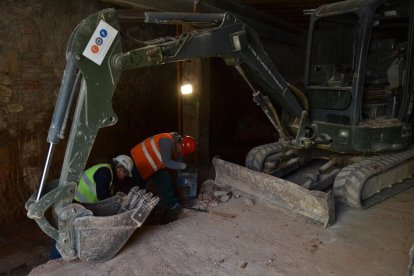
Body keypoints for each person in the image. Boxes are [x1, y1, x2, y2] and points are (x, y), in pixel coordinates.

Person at [130, 132, 196, 218]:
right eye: (181, 151)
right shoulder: (166, 141)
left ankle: (174, 205)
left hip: (153, 165)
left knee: (165, 180)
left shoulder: (176, 145)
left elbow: (178, 162)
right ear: (180, 143)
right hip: (137, 162)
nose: (180, 153)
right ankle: (134, 214)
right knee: (138, 190)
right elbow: (167, 162)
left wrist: (182, 177)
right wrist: (183, 166)